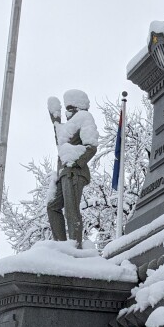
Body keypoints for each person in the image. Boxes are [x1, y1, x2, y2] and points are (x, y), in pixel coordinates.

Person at [46, 89, 99, 248]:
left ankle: (75, 246)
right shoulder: (69, 125)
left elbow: (91, 146)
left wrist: (74, 161)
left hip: (74, 172)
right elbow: (61, 143)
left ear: (77, 107)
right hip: (63, 174)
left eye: (69, 108)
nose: (67, 112)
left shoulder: (84, 117)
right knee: (52, 207)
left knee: (71, 211)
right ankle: (61, 245)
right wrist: (55, 119)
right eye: (66, 109)